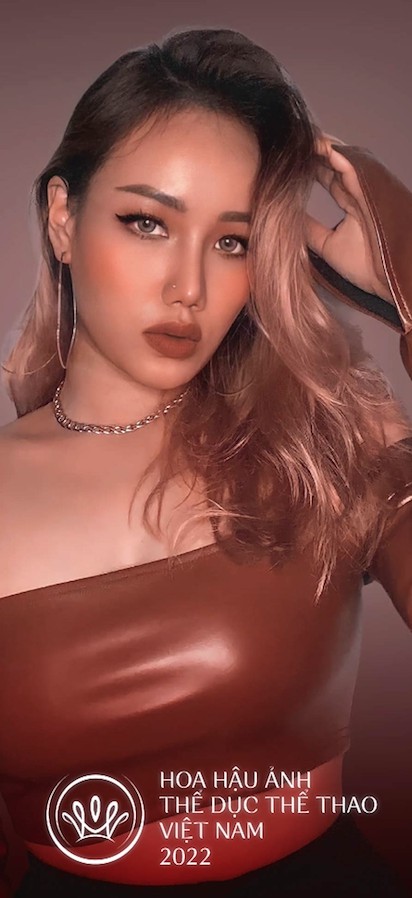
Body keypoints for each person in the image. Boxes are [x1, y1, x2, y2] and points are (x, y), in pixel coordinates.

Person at [0, 26, 411, 898]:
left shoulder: (318, 438)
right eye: (147, 223)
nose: (188, 287)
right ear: (63, 219)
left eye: (232, 242)